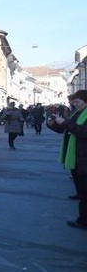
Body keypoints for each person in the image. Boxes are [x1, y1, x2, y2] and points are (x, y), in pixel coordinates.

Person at [46, 90, 87, 230]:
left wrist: (64, 122)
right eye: (73, 102)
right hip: (76, 155)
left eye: (78, 102)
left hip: (83, 156)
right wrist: (53, 124)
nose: (75, 104)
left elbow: (82, 131)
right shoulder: (77, 113)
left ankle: (83, 220)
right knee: (80, 185)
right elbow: (67, 128)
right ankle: (79, 194)